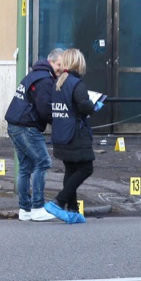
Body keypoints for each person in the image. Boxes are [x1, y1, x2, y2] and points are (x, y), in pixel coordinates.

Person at [4, 47, 63, 221]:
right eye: (59, 64)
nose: (61, 68)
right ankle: (37, 207)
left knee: (25, 167)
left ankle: (25, 210)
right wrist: (61, 122)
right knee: (43, 162)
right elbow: (44, 110)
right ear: (51, 62)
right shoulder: (45, 79)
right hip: (26, 127)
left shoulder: (36, 74)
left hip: (15, 124)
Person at [44, 48, 101, 224]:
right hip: (75, 134)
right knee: (86, 168)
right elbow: (84, 107)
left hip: (62, 134)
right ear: (78, 63)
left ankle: (74, 210)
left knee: (71, 170)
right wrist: (94, 106)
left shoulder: (59, 82)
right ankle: (59, 202)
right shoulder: (77, 84)